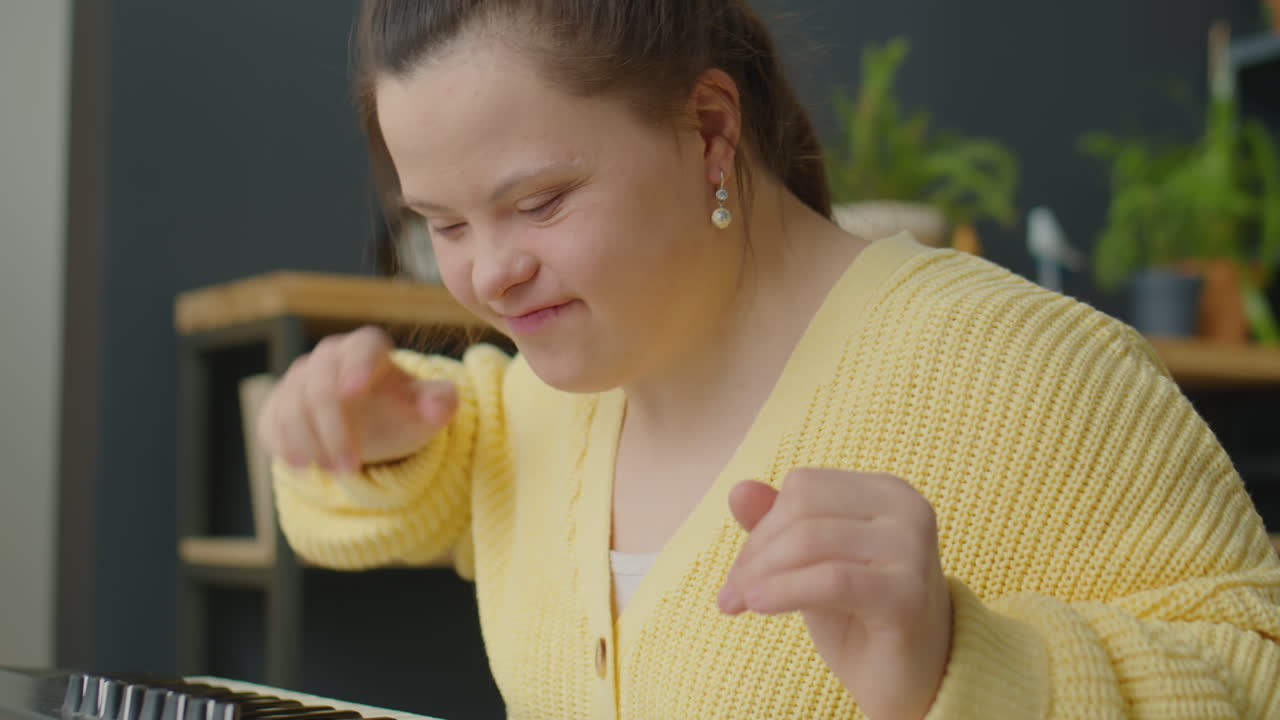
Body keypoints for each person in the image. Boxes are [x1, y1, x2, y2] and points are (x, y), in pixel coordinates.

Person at [256, 1, 1280, 718]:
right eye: (441, 223)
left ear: (708, 127)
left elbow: (1252, 677)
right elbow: (457, 448)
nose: (486, 277)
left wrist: (964, 667)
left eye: (539, 203)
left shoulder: (1026, 370)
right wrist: (365, 440)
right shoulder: (547, 398)